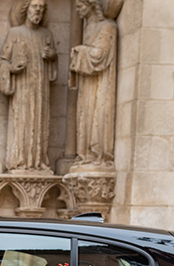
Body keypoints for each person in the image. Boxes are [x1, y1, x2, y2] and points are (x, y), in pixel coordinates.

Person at [0, 0, 57, 173]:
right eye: (34, 7)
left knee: (39, 121)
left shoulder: (47, 35)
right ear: (26, 9)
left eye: (41, 8)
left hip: (41, 88)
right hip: (22, 88)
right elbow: (2, 60)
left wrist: (52, 57)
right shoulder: (15, 33)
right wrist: (11, 68)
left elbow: (54, 71)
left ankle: (38, 161)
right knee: (22, 120)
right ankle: (20, 161)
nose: (37, 11)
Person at [70, 0, 117, 168]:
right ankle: (85, 155)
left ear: (91, 5)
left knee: (96, 115)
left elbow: (100, 56)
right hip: (87, 83)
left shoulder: (108, 26)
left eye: (81, 6)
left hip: (99, 83)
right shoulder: (88, 28)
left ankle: (97, 155)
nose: (78, 10)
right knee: (85, 115)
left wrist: (79, 52)